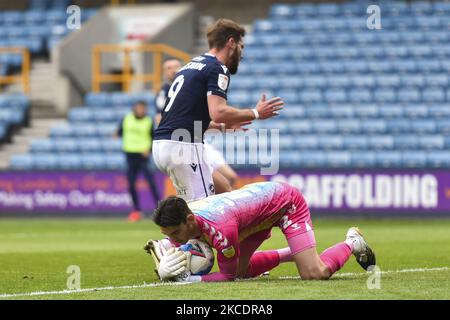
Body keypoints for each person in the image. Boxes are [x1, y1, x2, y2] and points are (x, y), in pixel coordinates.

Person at [152, 18, 284, 202]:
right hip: (183, 147)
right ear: (231, 43)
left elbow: (184, 118)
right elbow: (219, 112)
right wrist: (256, 113)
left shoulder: (189, 67)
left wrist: (222, 128)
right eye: (241, 46)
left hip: (164, 145)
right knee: (203, 214)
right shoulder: (217, 68)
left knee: (224, 192)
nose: (241, 52)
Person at [149, 181, 376, 282]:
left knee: (314, 274)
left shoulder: (220, 230)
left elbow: (226, 277)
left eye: (175, 233)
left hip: (285, 204)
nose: (172, 239)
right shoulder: (188, 217)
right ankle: (296, 253)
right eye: (167, 234)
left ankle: (352, 242)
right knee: (242, 271)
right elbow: (158, 246)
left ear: (189, 221)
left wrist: (188, 280)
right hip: (252, 216)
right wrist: (163, 265)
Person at [154, 57, 238, 195]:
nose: (173, 70)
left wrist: (222, 127)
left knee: (228, 181)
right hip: (183, 142)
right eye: (169, 68)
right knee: (200, 196)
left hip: (197, 139)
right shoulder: (165, 92)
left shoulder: (191, 84)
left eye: (176, 66)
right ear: (163, 73)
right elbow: (164, 120)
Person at [117, 101, 161, 222]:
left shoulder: (148, 121)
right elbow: (120, 132)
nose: (141, 110)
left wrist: (149, 149)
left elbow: (154, 137)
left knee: (151, 182)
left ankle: (160, 209)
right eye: (139, 108)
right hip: (130, 155)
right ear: (135, 108)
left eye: (143, 108)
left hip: (143, 156)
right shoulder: (127, 118)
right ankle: (136, 211)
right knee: (131, 184)